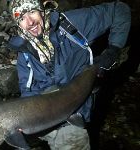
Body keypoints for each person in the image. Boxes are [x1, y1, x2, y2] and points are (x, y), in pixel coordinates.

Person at [8, 0, 131, 149]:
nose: (29, 22)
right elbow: (28, 92)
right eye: (21, 19)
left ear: (42, 10)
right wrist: (21, 122)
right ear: (18, 24)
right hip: (42, 122)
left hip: (73, 114)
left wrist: (114, 49)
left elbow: (119, 10)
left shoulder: (71, 24)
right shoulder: (24, 54)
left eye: (32, 12)